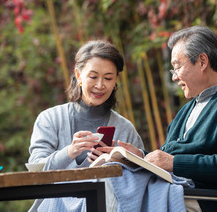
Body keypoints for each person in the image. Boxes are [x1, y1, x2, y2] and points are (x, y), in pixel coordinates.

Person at [102, 25, 217, 211]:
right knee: (111, 183)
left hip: (206, 200)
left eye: (177, 67)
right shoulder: (186, 111)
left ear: (202, 61)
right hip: (174, 192)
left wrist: (173, 163)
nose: (174, 77)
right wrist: (141, 157)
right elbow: (168, 158)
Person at [28, 40, 144, 211]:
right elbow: (35, 172)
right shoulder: (50, 119)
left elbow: (141, 179)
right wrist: (69, 152)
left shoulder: (125, 129)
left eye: (108, 78)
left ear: (115, 82)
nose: (100, 85)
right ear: (79, 75)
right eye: (93, 76)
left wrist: (119, 163)